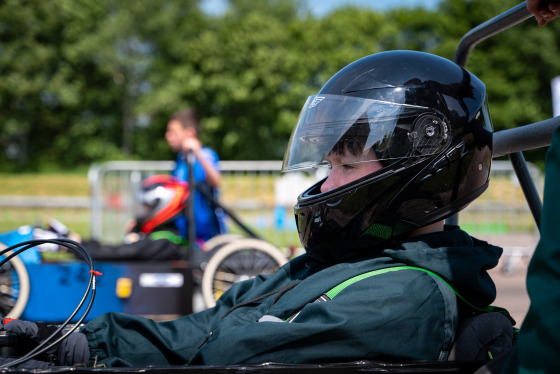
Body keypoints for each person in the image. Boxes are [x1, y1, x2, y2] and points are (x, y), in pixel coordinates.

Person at [1, 51, 510, 368]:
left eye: (347, 168)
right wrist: (79, 342)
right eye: (327, 165)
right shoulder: (339, 263)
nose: (325, 185)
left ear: (422, 172)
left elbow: (224, 353)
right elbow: (207, 325)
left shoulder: (407, 295)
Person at [165, 108, 226, 245]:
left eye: (173, 132)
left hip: (207, 233)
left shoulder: (205, 154)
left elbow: (216, 182)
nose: (168, 136)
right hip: (184, 230)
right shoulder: (180, 160)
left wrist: (197, 153)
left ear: (190, 133)